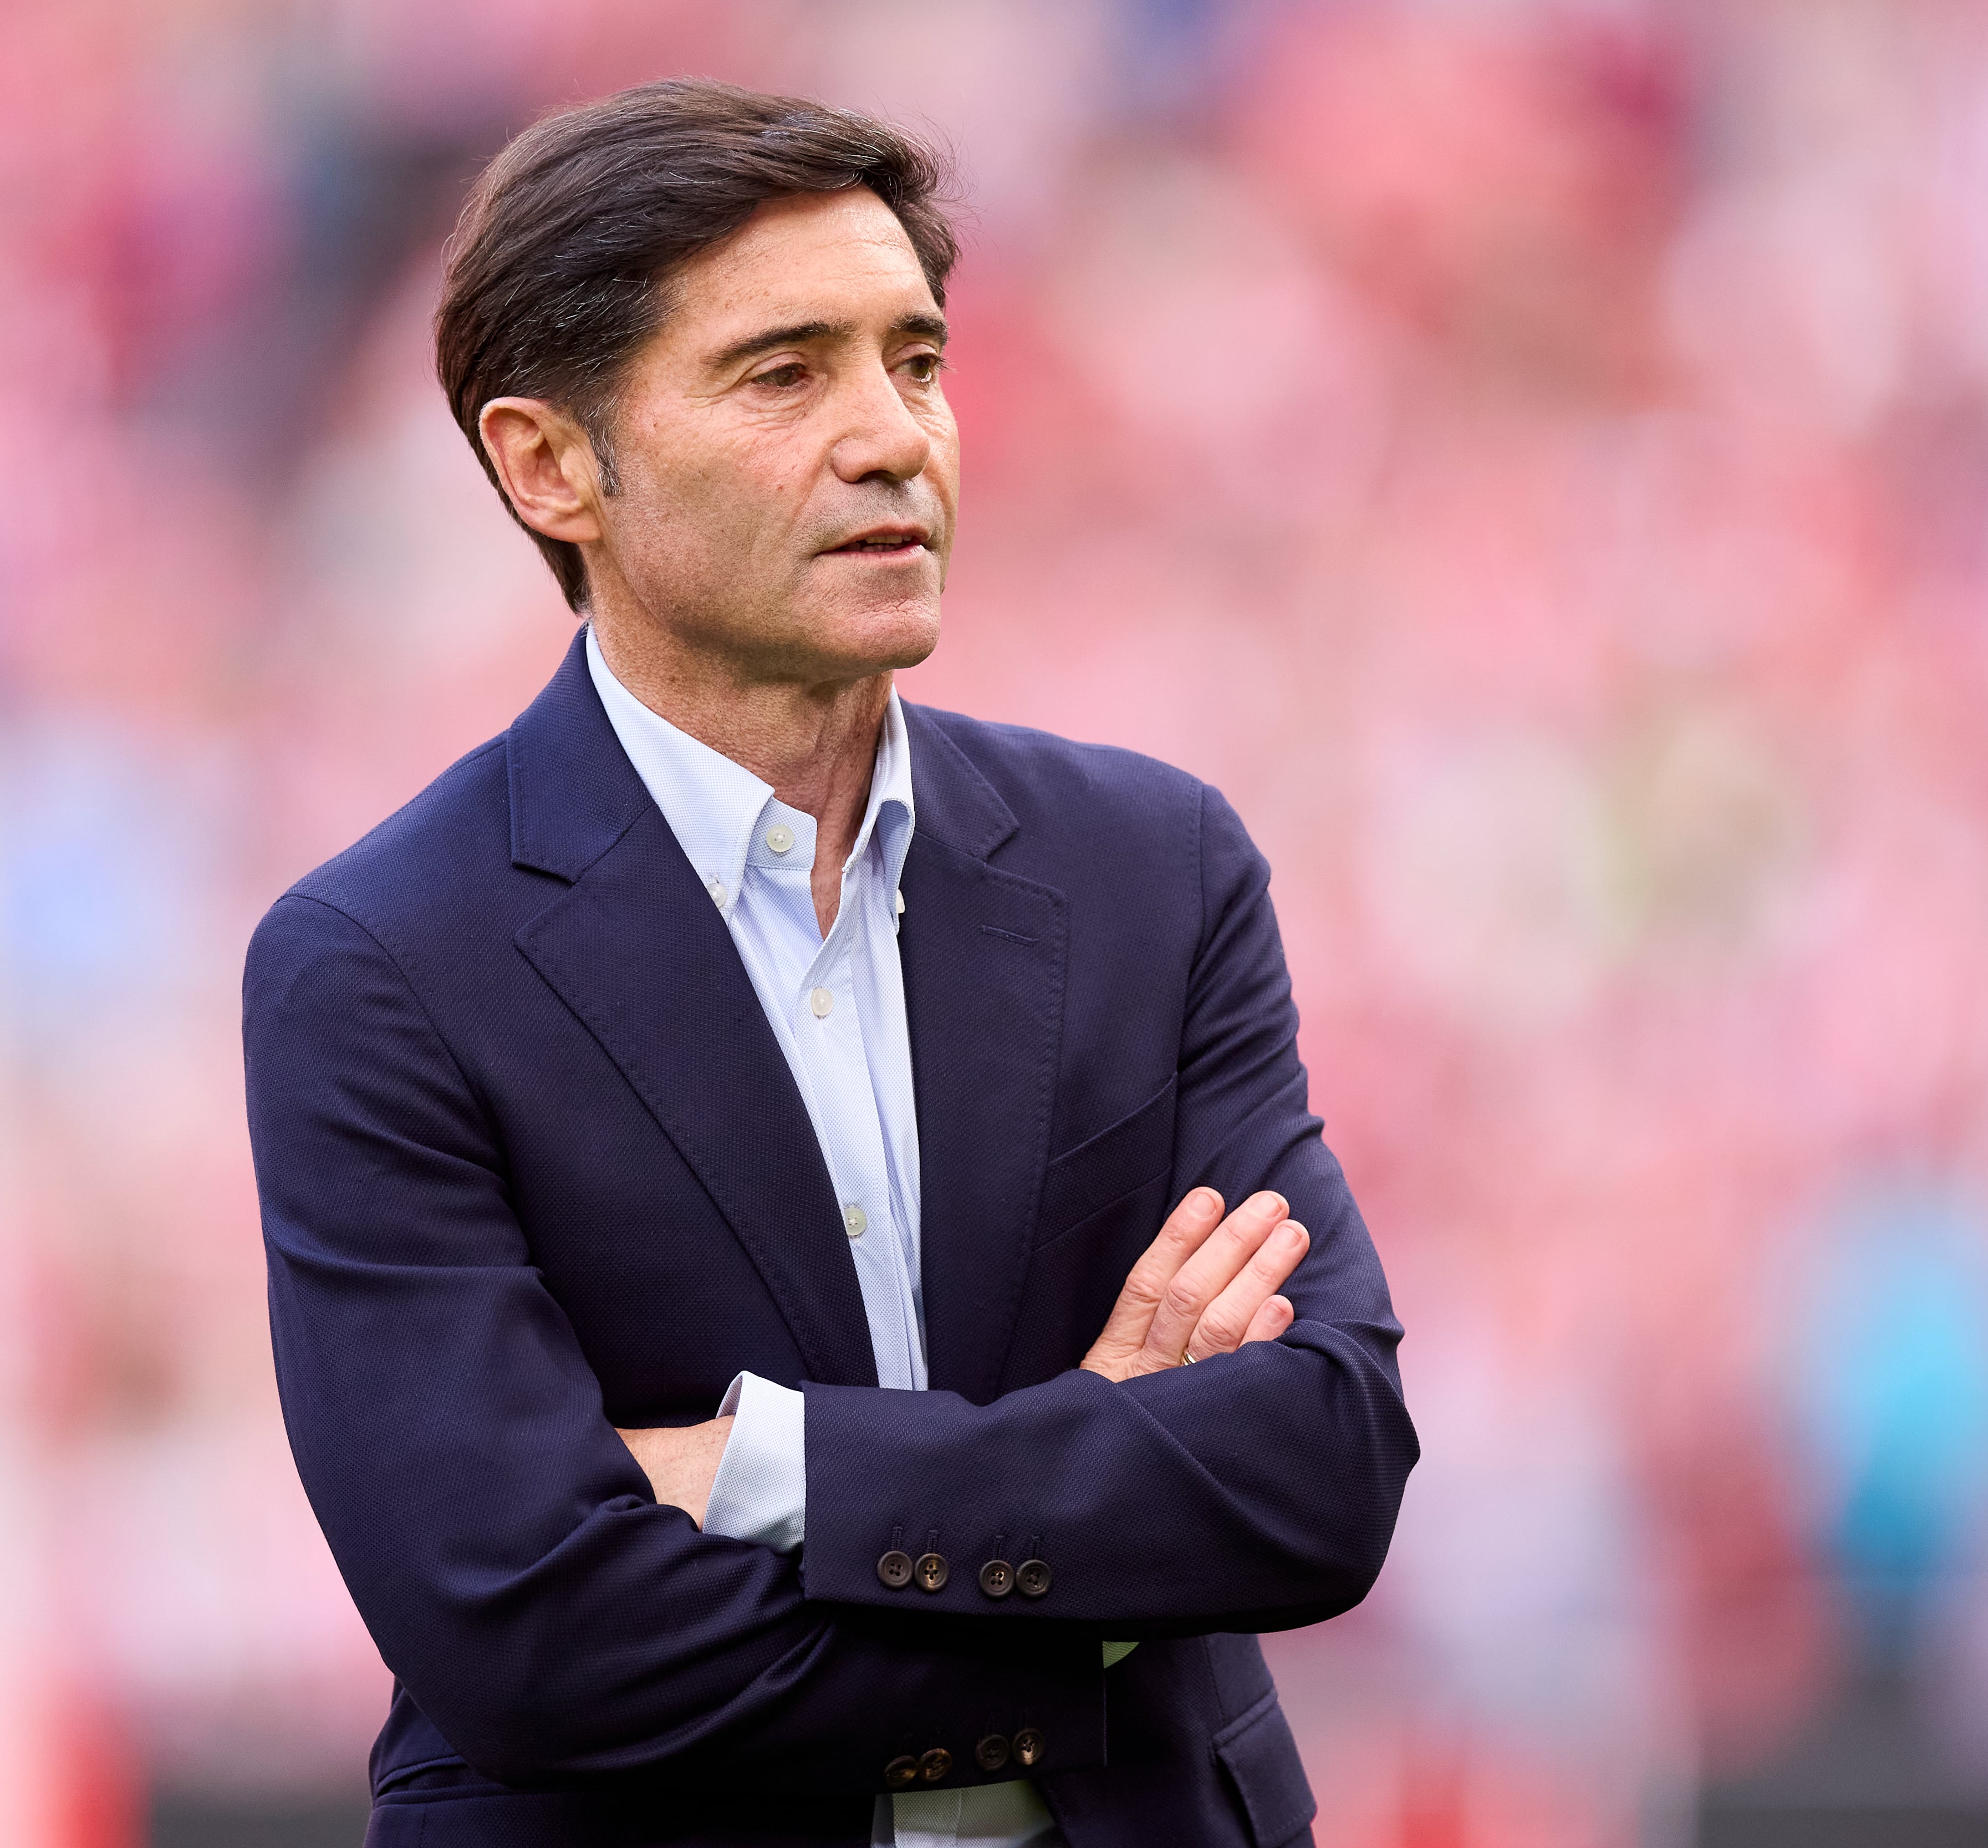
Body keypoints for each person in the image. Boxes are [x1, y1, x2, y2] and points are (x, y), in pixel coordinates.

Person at [241, 78, 1415, 1848]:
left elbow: (1321, 1465)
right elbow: (527, 1632)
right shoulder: (382, 963)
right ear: (548, 464)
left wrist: (775, 1470)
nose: (894, 435)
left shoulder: (1151, 867)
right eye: (784, 374)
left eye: (919, 361)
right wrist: (1098, 1551)